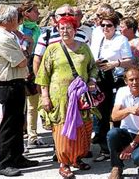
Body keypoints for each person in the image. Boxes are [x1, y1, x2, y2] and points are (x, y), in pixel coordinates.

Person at [35, 16, 97, 178]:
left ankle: (77, 159)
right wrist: (45, 96)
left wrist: (91, 80)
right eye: (62, 28)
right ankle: (64, 163)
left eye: (68, 28)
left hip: (80, 99)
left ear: (75, 30)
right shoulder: (52, 49)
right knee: (63, 132)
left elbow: (93, 68)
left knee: (83, 130)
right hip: (60, 99)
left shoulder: (84, 48)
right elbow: (43, 74)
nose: (65, 31)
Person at [0, 5, 39, 177]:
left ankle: (17, 157)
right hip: (8, 85)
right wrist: (24, 52)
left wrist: (24, 51)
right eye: (18, 19)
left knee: (17, 124)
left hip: (15, 83)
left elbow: (22, 58)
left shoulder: (7, 35)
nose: (19, 22)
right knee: (9, 127)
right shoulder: (3, 38)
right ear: (10, 20)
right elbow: (22, 62)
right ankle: (3, 163)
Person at [91, 13, 133, 162]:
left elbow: (129, 61)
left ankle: (119, 147)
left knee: (117, 114)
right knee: (101, 114)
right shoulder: (98, 39)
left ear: (115, 27)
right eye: (102, 25)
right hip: (101, 80)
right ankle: (104, 149)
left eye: (109, 25)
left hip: (116, 79)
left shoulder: (121, 40)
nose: (105, 28)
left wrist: (115, 64)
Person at [107, 67, 139, 179]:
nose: (134, 82)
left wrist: (131, 146)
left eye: (137, 79)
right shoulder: (122, 91)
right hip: (127, 132)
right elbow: (114, 116)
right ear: (126, 81)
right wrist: (129, 109)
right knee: (112, 134)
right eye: (131, 80)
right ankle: (116, 167)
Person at [17, 0, 49, 149]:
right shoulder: (21, 30)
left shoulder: (37, 29)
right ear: (26, 13)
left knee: (32, 105)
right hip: (25, 69)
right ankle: (24, 136)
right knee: (22, 105)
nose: (38, 13)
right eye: (35, 11)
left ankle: (32, 135)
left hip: (34, 68)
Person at [33, 4, 90, 75]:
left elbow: (89, 59)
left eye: (70, 14)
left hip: (79, 80)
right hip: (54, 80)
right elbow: (37, 59)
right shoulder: (46, 36)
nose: (67, 16)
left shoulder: (82, 35)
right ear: (56, 17)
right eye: (63, 14)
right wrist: (39, 82)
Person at [120, 16, 139, 85]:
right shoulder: (122, 42)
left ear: (131, 29)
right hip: (124, 79)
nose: (120, 29)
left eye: (122, 27)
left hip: (137, 80)